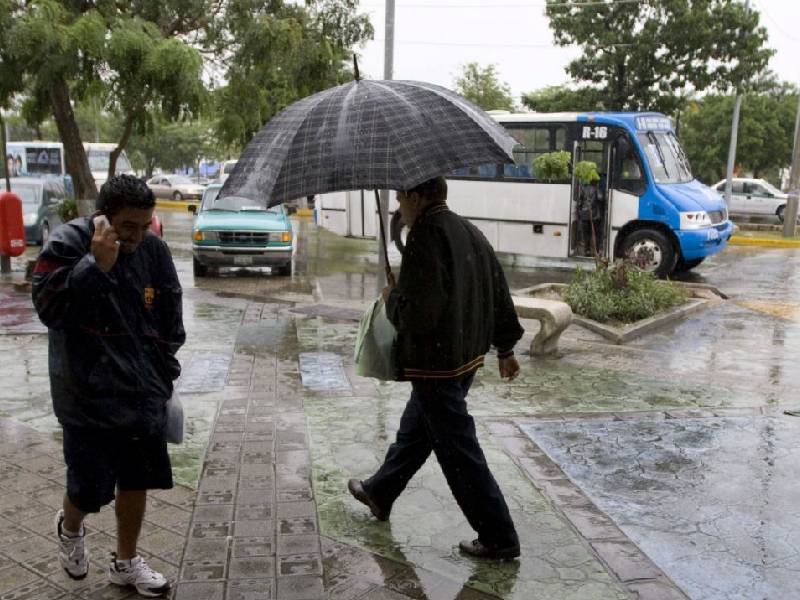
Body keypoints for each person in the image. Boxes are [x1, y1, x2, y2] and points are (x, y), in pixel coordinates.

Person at [348, 176, 524, 560]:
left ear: (415, 196)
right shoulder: (467, 228)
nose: (398, 208)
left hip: (437, 364)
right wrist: (505, 347)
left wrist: (393, 298)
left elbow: (419, 316)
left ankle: (498, 535)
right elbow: (499, 289)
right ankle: (380, 491)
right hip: (465, 358)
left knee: (458, 449)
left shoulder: (426, 236)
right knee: (418, 429)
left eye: (400, 198)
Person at [32, 174, 185, 598]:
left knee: (136, 478)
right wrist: (94, 266)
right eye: (127, 227)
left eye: (144, 225)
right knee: (90, 487)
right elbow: (48, 308)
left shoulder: (153, 250)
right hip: (86, 396)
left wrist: (163, 373)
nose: (136, 237)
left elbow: (171, 315)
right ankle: (70, 527)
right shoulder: (67, 245)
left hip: (141, 392)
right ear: (103, 217)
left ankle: (126, 562)